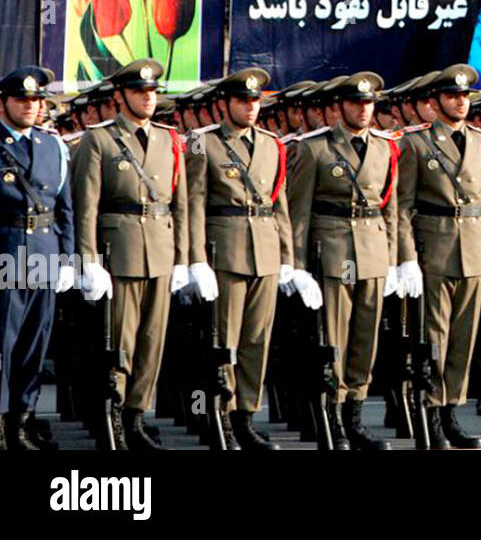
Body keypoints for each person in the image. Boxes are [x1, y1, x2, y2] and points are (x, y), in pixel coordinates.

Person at [185, 68, 313, 450]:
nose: (251, 107)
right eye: (243, 100)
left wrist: (288, 256)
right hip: (225, 251)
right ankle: (219, 416)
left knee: (257, 339)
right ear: (225, 104)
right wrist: (195, 260)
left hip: (266, 250)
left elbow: (280, 204)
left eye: (256, 101)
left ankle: (245, 416)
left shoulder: (273, 144)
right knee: (225, 340)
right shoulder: (202, 144)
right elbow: (193, 204)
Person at [72, 59, 190, 450]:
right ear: (120, 96)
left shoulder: (168, 139)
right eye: (140, 92)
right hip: (119, 250)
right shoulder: (99, 140)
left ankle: (137, 415)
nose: (148, 98)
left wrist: (185, 259)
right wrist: (88, 259)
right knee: (120, 340)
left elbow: (181, 205)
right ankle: (114, 418)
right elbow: (86, 204)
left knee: (152, 340)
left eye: (153, 92)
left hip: (160, 247)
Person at [287, 73, 409, 450]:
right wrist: (298, 265)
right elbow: (300, 213)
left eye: (369, 103)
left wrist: (394, 259)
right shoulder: (315, 150)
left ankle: (355, 414)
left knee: (364, 338)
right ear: (339, 108)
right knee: (334, 337)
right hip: (335, 250)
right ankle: (333, 416)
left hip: (371, 252)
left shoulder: (386, 149)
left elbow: (390, 208)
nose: (363, 109)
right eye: (356, 103)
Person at [395, 65, 481, 449]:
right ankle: (431, 410)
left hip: (473, 248)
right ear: (435, 102)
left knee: (462, 339)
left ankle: (452, 410)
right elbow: (402, 207)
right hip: (434, 248)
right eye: (452, 96)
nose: (460, 101)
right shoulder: (417, 144)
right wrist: (407, 258)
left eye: (465, 96)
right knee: (434, 338)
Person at [0, 67, 75, 450]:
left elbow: (64, 208)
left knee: (34, 342)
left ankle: (22, 421)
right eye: (21, 100)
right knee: (3, 344)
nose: (30, 107)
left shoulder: (53, 147)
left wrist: (68, 258)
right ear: (4, 102)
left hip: (44, 253)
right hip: (6, 251)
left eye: (36, 101)